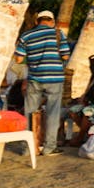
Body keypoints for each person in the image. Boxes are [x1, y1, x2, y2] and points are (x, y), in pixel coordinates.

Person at [15, 11, 70, 156]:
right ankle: (49, 147)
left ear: (36, 21)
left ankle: (28, 148)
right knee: (53, 112)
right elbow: (65, 55)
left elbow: (18, 59)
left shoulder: (26, 35)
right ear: (52, 21)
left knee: (29, 112)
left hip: (35, 78)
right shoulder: (58, 34)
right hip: (54, 78)